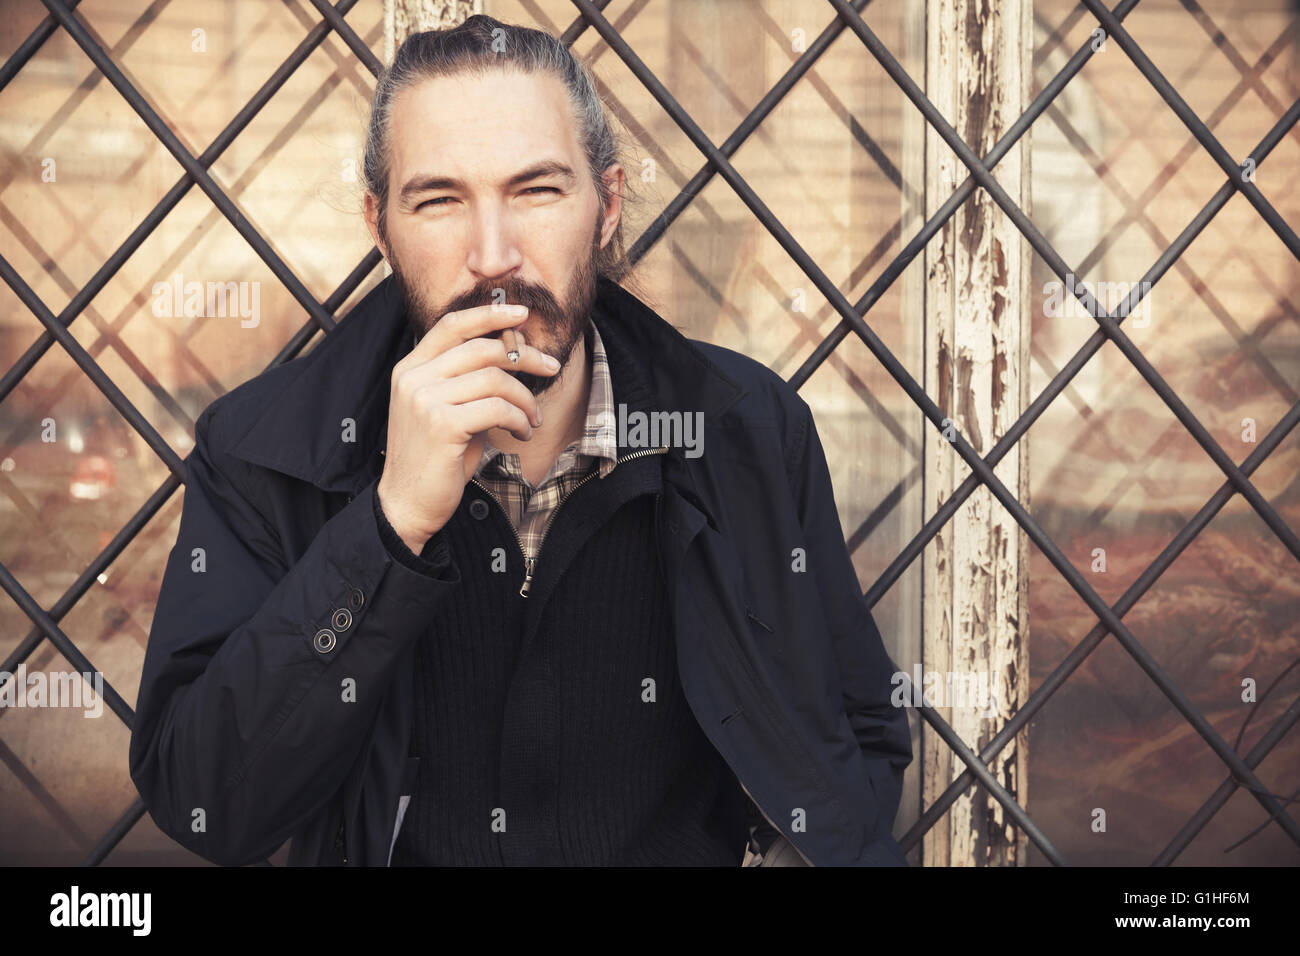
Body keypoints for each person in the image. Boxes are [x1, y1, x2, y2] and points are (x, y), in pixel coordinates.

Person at [129, 14, 912, 867]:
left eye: (537, 191)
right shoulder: (262, 451)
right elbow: (203, 802)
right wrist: (388, 529)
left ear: (606, 207)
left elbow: (859, 731)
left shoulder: (747, 432)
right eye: (439, 201)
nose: (494, 257)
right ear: (379, 225)